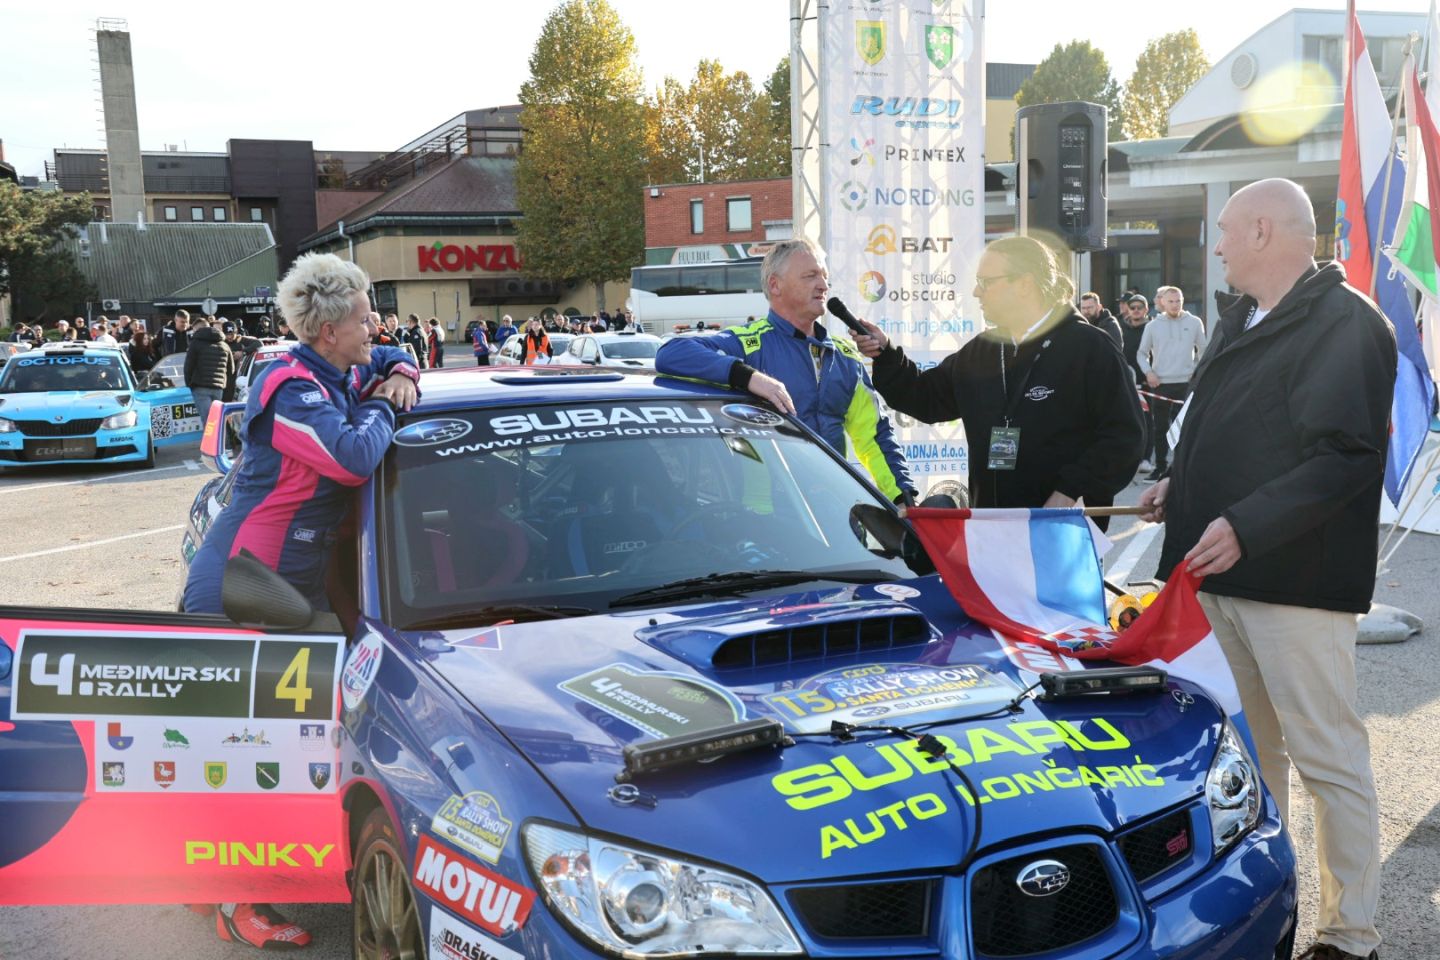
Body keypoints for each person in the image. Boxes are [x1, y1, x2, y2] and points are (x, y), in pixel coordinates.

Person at [1140, 179, 1394, 960]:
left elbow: (1344, 457)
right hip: (1220, 578)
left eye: (1222, 231)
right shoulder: (1241, 316)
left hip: (1297, 584)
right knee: (1249, 761)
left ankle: (1350, 936)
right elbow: (1224, 424)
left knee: (1328, 758)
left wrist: (1245, 524)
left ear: (1260, 231)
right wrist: (1179, 482)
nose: (1214, 247)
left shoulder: (1350, 325)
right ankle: (1267, 906)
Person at [181, 253, 419, 951]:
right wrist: (384, 398)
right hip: (244, 586)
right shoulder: (289, 384)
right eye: (363, 315)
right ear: (327, 330)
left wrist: (400, 370)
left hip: (295, 584)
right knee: (251, 749)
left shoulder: (334, 366)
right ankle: (235, 901)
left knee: (276, 743)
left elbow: (393, 358)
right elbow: (350, 456)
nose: (374, 325)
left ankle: (213, 882)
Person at [853, 235, 1142, 522]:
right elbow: (926, 398)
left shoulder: (1088, 346)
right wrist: (886, 353)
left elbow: (1124, 438)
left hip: (1060, 529)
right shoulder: (985, 349)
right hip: (991, 528)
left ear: (1025, 285)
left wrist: (1070, 490)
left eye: (986, 283)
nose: (977, 293)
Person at [657, 237, 916, 503]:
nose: (823, 285)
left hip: (837, 517)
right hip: (764, 524)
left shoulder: (845, 355)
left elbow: (874, 436)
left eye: (825, 277)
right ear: (775, 285)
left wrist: (903, 497)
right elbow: (671, 353)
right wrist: (748, 377)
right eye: (810, 275)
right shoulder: (750, 344)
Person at [1136, 285, 1208, 480]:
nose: (1175, 305)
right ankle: (1160, 467)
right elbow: (1141, 354)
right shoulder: (1153, 326)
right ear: (1162, 302)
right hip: (1161, 385)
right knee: (1160, 428)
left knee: (1186, 427)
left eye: (1178, 301)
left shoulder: (1194, 322)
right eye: (1171, 301)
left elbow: (1204, 351)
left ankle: (1182, 468)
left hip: (1186, 383)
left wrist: (1196, 373)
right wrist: (1149, 372)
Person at [1119, 294, 1153, 470]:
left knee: (1147, 422)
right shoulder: (1121, 328)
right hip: (1125, 382)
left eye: (1140, 307)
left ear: (1146, 309)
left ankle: (1146, 459)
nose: (1137, 310)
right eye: (1133, 307)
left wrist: (1150, 374)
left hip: (1147, 383)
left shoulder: (1153, 327)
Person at [185, 318, 235, 425]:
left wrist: (189, 384)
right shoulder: (224, 345)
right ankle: (223, 441)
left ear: (198, 329)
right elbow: (231, 369)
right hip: (218, 389)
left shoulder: (195, 343)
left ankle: (214, 442)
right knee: (217, 421)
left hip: (200, 387)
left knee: (208, 423)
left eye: (194, 330)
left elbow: (188, 366)